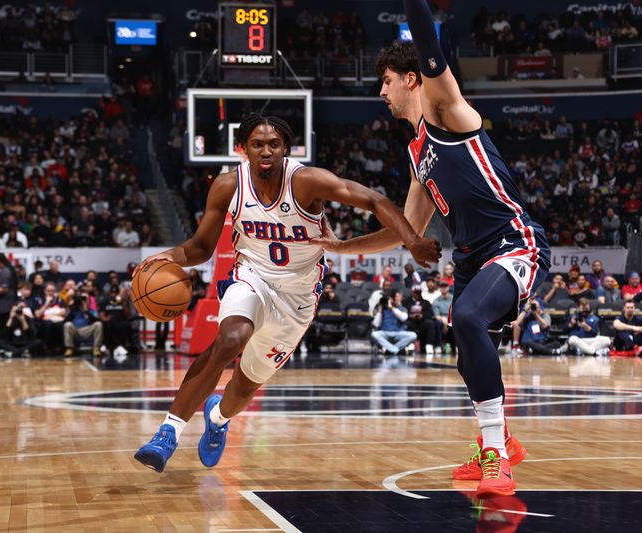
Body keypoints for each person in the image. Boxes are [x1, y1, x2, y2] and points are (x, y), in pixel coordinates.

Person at [313, 3, 551, 497]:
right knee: (466, 352)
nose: (380, 91)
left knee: (466, 319)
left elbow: (429, 45)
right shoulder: (417, 150)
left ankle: (495, 458)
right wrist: (339, 246)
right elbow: (407, 228)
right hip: (469, 257)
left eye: (385, 80)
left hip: (512, 242)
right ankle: (503, 438)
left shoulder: (448, 111)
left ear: (412, 78)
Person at [134, 113, 440, 473]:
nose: (266, 151)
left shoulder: (306, 181)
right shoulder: (228, 186)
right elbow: (201, 247)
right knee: (230, 338)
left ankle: (217, 418)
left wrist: (413, 241)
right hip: (252, 277)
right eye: (257, 144)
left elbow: (374, 201)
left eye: (274, 144)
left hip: (297, 297)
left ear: (286, 149)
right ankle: (168, 433)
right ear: (243, 148)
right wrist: (169, 255)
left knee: (245, 387)